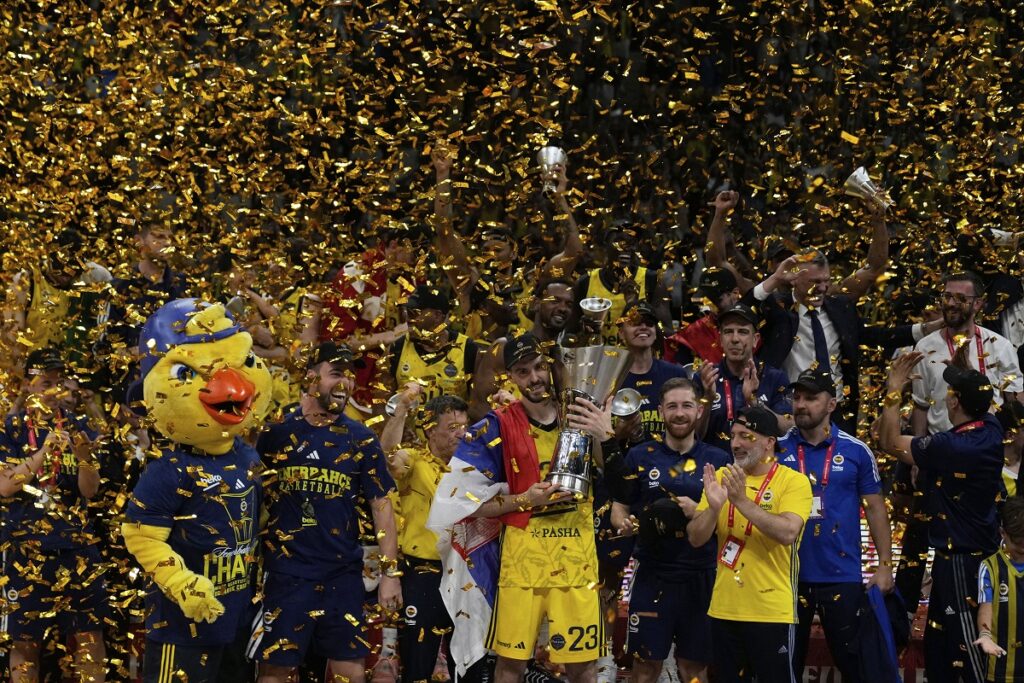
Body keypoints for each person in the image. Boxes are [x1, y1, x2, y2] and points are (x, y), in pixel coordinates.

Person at [436, 332, 614, 683]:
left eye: (539, 367)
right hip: (521, 567)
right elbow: (461, 501)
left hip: (576, 565)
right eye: (522, 371)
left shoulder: (582, 413)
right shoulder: (496, 425)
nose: (534, 378)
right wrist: (525, 500)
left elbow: (616, 478)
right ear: (511, 378)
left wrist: (606, 436)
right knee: (510, 666)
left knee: (583, 668)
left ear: (551, 367)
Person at [248, 342, 401, 683]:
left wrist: (390, 574)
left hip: (342, 575)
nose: (346, 382)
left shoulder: (361, 438)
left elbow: (381, 506)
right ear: (311, 377)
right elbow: (255, 498)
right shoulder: (276, 432)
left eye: (350, 375)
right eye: (336, 374)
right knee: (275, 670)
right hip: (286, 574)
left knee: (351, 671)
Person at [879, 355, 1004, 683]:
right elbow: (986, 404)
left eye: (951, 391)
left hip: (962, 565)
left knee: (971, 655)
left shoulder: (950, 446)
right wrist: (968, 371)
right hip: (968, 557)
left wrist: (894, 389)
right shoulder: (992, 429)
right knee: (939, 656)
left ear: (955, 402)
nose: (945, 395)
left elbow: (889, 442)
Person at [610, 377, 731, 683]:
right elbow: (619, 506)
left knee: (694, 669)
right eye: (672, 406)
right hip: (652, 576)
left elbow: (730, 519)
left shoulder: (718, 460)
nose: (679, 413)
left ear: (699, 411)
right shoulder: (639, 455)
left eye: (687, 405)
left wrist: (699, 511)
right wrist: (623, 523)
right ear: (661, 410)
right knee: (645, 669)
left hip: (701, 576)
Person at [777, 367, 893, 681]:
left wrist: (885, 566)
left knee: (855, 668)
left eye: (811, 398)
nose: (801, 405)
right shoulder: (775, 450)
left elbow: (876, 510)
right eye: (797, 398)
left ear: (831, 404)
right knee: (784, 671)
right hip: (786, 577)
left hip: (841, 575)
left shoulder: (856, 451)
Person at [0, 349, 106, 683]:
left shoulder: (79, 426)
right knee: (25, 643)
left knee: (90, 638)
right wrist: (44, 452)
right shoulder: (11, 428)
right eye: (47, 383)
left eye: (60, 383)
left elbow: (90, 491)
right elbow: (5, 486)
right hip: (27, 551)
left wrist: (85, 458)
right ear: (28, 385)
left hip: (76, 549)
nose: (55, 391)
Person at [748, 250, 940, 433]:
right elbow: (746, 306)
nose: (822, 288)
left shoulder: (840, 308)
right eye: (815, 282)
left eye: (826, 281)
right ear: (795, 279)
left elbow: (876, 336)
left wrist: (926, 328)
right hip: (793, 410)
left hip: (838, 411)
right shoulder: (778, 309)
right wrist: (775, 279)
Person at [687, 406, 812, 683]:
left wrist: (741, 501)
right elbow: (695, 538)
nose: (735, 444)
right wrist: (713, 508)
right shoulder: (722, 477)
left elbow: (788, 532)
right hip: (723, 609)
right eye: (733, 436)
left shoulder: (794, 482)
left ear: (769, 442)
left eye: (746, 436)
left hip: (772, 612)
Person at [381, 392, 471, 683]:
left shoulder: (474, 468)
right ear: (431, 430)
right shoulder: (414, 460)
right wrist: (401, 410)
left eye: (464, 426)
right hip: (423, 574)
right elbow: (387, 456)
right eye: (452, 427)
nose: (462, 434)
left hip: (466, 575)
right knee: (418, 666)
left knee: (467, 667)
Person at [911, 271, 1023, 436]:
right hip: (944, 444)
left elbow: (1015, 402)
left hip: (987, 443)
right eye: (947, 296)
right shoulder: (924, 347)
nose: (951, 303)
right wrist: (919, 449)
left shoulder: (1000, 346)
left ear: (977, 304)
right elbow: (921, 406)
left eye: (960, 298)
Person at [697, 303, 791, 451]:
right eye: (728, 331)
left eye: (742, 332)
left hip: (760, 464)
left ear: (755, 339)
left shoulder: (775, 378)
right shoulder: (706, 377)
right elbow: (694, 436)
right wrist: (708, 398)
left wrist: (753, 401)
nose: (735, 339)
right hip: (714, 464)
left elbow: (788, 429)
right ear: (720, 339)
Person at [570, 221, 673, 345]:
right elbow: (569, 335)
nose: (626, 247)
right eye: (619, 242)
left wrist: (635, 309)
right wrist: (583, 332)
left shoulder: (652, 280)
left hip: (636, 357)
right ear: (605, 247)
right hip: (598, 357)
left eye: (631, 243)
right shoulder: (585, 282)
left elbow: (668, 335)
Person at [388, 285, 478, 405]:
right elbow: (381, 404)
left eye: (414, 313)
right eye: (406, 312)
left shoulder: (468, 349)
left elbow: (477, 405)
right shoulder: (397, 348)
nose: (407, 318)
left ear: (437, 316)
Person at [616, 301, 688, 443]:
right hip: (619, 457)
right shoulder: (608, 377)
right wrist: (618, 435)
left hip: (668, 456)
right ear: (621, 333)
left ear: (655, 333)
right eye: (635, 322)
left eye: (649, 323)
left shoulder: (675, 374)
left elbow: (689, 428)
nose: (643, 327)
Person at [975, 496, 1024, 681]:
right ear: (1003, 533)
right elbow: (985, 607)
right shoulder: (989, 567)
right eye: (1018, 546)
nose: (1023, 551)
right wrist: (985, 635)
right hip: (1001, 669)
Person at [665, 266, 741, 366]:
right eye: (707, 298)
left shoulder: (752, 327)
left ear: (735, 293)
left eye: (716, 299)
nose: (710, 304)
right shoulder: (693, 332)